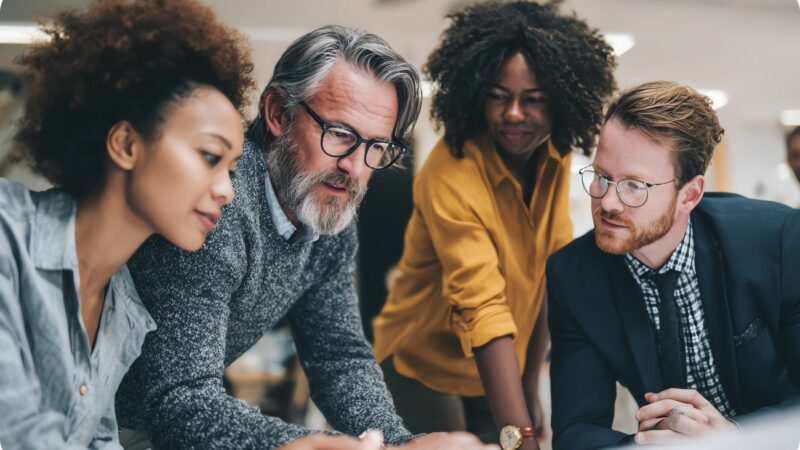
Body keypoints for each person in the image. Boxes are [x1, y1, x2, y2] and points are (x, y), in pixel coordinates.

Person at [115, 24, 495, 450]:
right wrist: (316, 443)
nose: (355, 166)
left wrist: (397, 443)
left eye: (376, 147)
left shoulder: (329, 214)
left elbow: (337, 355)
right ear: (278, 113)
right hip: (101, 420)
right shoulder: (218, 206)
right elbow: (181, 401)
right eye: (340, 135)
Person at [0, 0, 254, 448]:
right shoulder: (7, 237)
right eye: (210, 157)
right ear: (126, 143)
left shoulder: (126, 314)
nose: (227, 191)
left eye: (231, 170)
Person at [371, 2, 616, 450]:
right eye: (499, 96)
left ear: (560, 99)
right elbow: (482, 304)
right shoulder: (450, 174)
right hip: (418, 361)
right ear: (476, 91)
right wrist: (519, 433)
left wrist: (527, 387)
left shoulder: (553, 156)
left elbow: (549, 273)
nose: (514, 114)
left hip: (493, 363)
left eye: (534, 98)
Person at [546, 81, 800, 450]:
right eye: (601, 177)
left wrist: (737, 440)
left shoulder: (776, 240)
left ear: (690, 194)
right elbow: (576, 430)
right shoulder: (573, 275)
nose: (607, 202)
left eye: (635, 185)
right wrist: (655, 444)